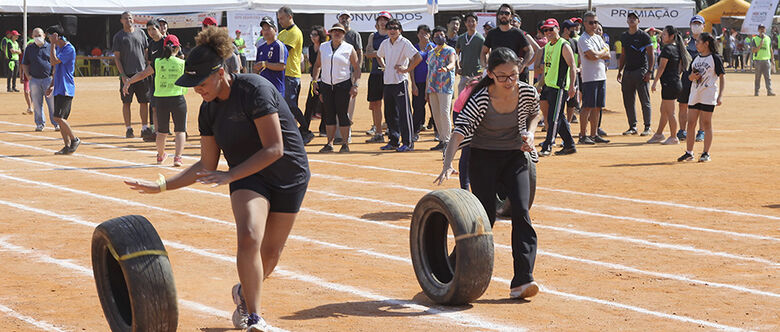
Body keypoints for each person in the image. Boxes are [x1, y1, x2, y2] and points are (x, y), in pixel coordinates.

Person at [125, 27, 310, 332]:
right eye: (193, 85)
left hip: (289, 174)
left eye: (201, 82)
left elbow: (275, 148)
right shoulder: (208, 111)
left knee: (271, 256)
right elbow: (207, 164)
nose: (198, 89)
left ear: (220, 72)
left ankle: (242, 293)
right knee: (250, 235)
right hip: (249, 180)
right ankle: (254, 316)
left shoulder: (255, 90)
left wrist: (230, 174)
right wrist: (163, 185)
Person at [435, 47, 541, 300]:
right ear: (491, 74)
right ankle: (449, 268)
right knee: (484, 219)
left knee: (522, 212)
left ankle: (523, 280)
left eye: (513, 75)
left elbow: (535, 113)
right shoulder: (482, 97)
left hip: (515, 156)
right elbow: (459, 131)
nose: (509, 81)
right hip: (484, 158)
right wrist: (447, 162)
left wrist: (531, 133)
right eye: (502, 76)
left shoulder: (527, 91)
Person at [124, 34, 188, 166]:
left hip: (161, 99)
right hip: (178, 98)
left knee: (162, 131)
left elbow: (143, 74)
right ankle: (178, 158)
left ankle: (160, 156)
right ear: (177, 48)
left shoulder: (157, 62)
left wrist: (129, 81)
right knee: (180, 130)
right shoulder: (182, 63)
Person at [311, 23, 361, 153]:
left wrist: (355, 85)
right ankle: (329, 143)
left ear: (344, 34)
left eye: (340, 31)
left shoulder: (349, 48)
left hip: (343, 84)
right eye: (334, 31)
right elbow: (317, 65)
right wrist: (315, 80)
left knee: (343, 114)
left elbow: (356, 68)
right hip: (326, 85)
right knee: (329, 114)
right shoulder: (323, 47)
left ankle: (345, 144)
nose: (337, 33)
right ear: (330, 33)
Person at [376, 18, 423, 152]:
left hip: (400, 81)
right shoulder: (385, 43)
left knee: (404, 113)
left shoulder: (404, 42)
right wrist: (384, 66)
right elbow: (378, 55)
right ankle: (393, 141)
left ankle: (408, 142)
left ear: (400, 30)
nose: (392, 30)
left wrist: (407, 70)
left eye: (395, 28)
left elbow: (418, 57)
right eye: (390, 28)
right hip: (388, 81)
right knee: (390, 113)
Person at [677, 32, 724, 163]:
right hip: (695, 93)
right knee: (691, 123)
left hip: (708, 94)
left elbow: (721, 77)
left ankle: (706, 153)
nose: (696, 44)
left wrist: (720, 95)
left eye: (698, 42)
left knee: (706, 123)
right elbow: (690, 77)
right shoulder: (696, 59)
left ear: (706, 43)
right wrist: (693, 77)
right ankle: (689, 152)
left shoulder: (715, 58)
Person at [538, 19, 577, 156]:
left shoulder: (563, 45)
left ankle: (548, 145)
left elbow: (572, 66)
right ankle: (570, 145)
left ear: (558, 29)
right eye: (545, 30)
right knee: (558, 117)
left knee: (553, 118)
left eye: (551, 29)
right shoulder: (548, 46)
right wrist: (540, 84)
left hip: (559, 87)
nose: (548, 32)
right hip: (548, 86)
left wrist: (572, 86)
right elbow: (547, 68)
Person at [649, 25, 690, 145]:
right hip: (674, 83)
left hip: (669, 84)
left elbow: (661, 67)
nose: (662, 36)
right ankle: (659, 134)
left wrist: (655, 82)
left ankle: (673, 137)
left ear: (671, 36)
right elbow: (680, 67)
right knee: (664, 110)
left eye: (665, 34)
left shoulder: (667, 49)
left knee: (670, 112)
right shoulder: (677, 48)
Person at [113, 12, 151, 139]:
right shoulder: (119, 36)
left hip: (141, 74)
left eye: (130, 17)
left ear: (133, 19)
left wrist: (147, 69)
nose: (128, 20)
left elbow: (146, 53)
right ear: (121, 21)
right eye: (125, 18)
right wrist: (122, 74)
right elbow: (117, 58)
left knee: (144, 101)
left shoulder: (141, 33)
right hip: (127, 74)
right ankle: (128, 128)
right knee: (126, 102)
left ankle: (145, 127)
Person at [617, 12, 654, 136]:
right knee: (628, 100)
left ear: (639, 21)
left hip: (641, 71)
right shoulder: (624, 36)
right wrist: (620, 71)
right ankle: (632, 127)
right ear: (627, 21)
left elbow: (651, 54)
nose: (632, 20)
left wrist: (649, 71)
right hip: (628, 72)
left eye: (634, 18)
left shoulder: (644, 36)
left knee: (644, 100)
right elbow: (623, 55)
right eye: (630, 18)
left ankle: (647, 127)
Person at [45, 25, 80, 155]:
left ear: (56, 36)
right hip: (59, 86)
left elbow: (53, 62)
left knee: (58, 117)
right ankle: (67, 146)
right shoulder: (60, 48)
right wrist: (51, 85)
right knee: (60, 119)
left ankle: (74, 139)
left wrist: (53, 45)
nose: (48, 39)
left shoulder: (68, 48)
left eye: (50, 36)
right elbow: (56, 69)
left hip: (66, 87)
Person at [577, 11, 610, 144]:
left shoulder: (597, 37)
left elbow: (608, 55)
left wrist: (600, 53)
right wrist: (602, 52)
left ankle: (594, 134)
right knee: (587, 107)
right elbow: (592, 56)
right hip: (590, 77)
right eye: (591, 22)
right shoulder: (583, 39)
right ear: (585, 24)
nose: (594, 25)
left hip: (601, 76)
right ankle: (583, 135)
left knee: (597, 107)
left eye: (595, 22)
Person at [277, 7, 309, 139]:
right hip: (283, 74)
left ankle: (306, 129)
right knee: (285, 106)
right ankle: (292, 132)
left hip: (291, 73)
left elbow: (283, 50)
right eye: (278, 19)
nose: (280, 21)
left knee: (291, 105)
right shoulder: (282, 33)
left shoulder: (295, 32)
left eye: (282, 18)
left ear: (290, 17)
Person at [482, 4, 535, 83]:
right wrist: (485, 66)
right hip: (496, 73)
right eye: (501, 13)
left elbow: (530, 51)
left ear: (511, 16)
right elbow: (483, 51)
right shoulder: (492, 33)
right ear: (498, 15)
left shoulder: (517, 33)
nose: (504, 15)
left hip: (512, 74)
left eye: (507, 13)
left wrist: (523, 66)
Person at [426, 26, 457, 151]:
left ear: (445, 37)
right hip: (432, 86)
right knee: (436, 114)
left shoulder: (450, 50)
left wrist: (447, 68)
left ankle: (448, 140)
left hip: (445, 85)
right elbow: (429, 71)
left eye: (442, 35)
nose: (439, 37)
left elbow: (452, 62)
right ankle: (441, 138)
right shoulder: (431, 53)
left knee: (444, 112)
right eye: (436, 35)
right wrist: (426, 89)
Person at [677, 15, 706, 143]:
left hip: (703, 79)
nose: (696, 26)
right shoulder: (685, 43)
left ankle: (701, 131)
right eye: (694, 23)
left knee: (701, 106)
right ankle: (682, 131)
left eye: (699, 24)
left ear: (703, 26)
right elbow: (680, 61)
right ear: (690, 25)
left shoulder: (707, 42)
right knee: (683, 105)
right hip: (686, 78)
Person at [364, 11, 391, 143]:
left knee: (390, 103)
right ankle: (379, 133)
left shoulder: (392, 35)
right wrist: (381, 53)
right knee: (375, 104)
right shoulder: (372, 36)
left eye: (385, 19)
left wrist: (377, 53)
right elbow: (367, 53)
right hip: (375, 73)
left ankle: (391, 130)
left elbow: (392, 53)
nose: (382, 22)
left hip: (389, 74)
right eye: (380, 19)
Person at [21, 28, 56, 132]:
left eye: (39, 35)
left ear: (44, 35)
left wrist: (53, 77)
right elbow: (25, 63)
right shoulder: (29, 48)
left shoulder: (50, 47)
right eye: (35, 36)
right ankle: (40, 124)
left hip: (48, 79)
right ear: (32, 36)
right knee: (36, 104)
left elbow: (55, 63)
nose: (37, 37)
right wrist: (28, 76)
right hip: (34, 80)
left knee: (52, 103)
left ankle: (56, 123)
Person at [338, 11, 364, 143]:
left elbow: (360, 52)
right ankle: (339, 133)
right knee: (339, 102)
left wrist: (357, 69)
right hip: (339, 73)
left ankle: (347, 133)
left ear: (350, 19)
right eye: (342, 17)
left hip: (351, 73)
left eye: (346, 17)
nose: (344, 19)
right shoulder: (336, 34)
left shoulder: (354, 34)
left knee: (350, 103)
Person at [301, 26, 326, 144]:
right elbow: (312, 63)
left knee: (325, 104)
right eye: (311, 34)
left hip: (325, 80)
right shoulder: (310, 48)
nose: (312, 37)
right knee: (309, 104)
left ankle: (323, 129)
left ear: (320, 36)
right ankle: (305, 128)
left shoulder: (325, 47)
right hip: (314, 80)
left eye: (315, 34)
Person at [253, 16, 288, 95]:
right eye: (264, 29)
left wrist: (265, 64)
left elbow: (282, 66)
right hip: (263, 89)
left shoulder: (279, 46)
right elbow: (256, 68)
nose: (266, 31)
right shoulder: (261, 47)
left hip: (276, 89)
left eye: (268, 28)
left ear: (275, 30)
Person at [410, 25, 434, 137]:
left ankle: (438, 132)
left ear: (430, 34)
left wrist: (432, 50)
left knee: (434, 106)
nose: (423, 35)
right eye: (421, 32)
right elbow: (411, 68)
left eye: (426, 32)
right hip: (419, 81)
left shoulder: (434, 48)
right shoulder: (414, 48)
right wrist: (413, 84)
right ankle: (415, 131)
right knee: (418, 106)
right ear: (417, 35)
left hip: (433, 82)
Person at [144, 20, 165, 143]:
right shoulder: (151, 44)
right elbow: (150, 63)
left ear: (159, 28)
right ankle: (157, 133)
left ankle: (181, 130)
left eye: (153, 29)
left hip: (167, 80)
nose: (151, 32)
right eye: (148, 30)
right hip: (155, 80)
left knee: (171, 107)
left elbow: (179, 56)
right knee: (155, 108)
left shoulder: (167, 41)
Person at [456, 13, 485, 93]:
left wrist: (483, 69)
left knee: (475, 97)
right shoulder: (461, 38)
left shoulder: (481, 39)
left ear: (477, 23)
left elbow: (486, 54)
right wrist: (458, 66)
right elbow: (456, 53)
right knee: (461, 97)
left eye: (473, 21)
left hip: (476, 74)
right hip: (464, 73)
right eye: (468, 21)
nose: (471, 23)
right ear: (465, 23)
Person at [560, 20, 581, 127]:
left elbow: (580, 55)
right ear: (565, 30)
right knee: (559, 102)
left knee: (571, 102)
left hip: (572, 76)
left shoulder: (574, 42)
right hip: (561, 77)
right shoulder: (559, 42)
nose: (575, 30)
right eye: (572, 28)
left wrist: (579, 67)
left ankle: (567, 123)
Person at [752, 24, 775, 96]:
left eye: (763, 28)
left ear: (765, 30)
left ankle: (769, 91)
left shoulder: (768, 38)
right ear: (758, 30)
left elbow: (771, 50)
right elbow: (753, 50)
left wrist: (772, 60)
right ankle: (756, 92)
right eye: (760, 29)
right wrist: (760, 45)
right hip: (758, 60)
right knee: (758, 77)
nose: (762, 30)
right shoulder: (755, 39)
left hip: (766, 60)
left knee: (768, 77)